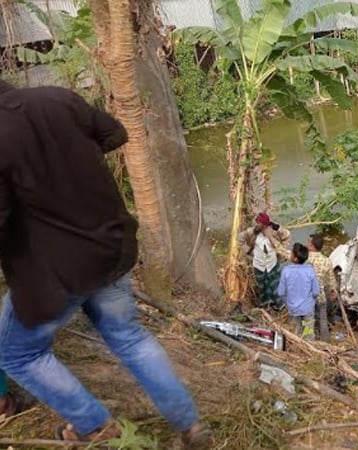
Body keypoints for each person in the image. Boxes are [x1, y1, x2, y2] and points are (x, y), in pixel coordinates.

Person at [0, 81, 210, 446]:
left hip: (55, 271)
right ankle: (191, 426)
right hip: (109, 247)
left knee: (17, 352)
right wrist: (71, 166)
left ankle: (93, 426)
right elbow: (116, 134)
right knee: (130, 337)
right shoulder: (57, 98)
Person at [238, 212, 289, 309]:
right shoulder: (252, 232)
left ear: (264, 224)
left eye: (259, 223)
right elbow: (240, 239)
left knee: (275, 286)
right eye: (256, 222)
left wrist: (282, 248)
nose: (256, 224)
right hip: (259, 265)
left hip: (272, 264)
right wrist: (249, 251)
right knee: (262, 286)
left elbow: (286, 235)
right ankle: (265, 305)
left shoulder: (274, 232)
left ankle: (280, 305)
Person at [277, 243, 320, 340]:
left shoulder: (286, 271)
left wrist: (287, 301)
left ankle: (298, 350)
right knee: (308, 333)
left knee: (296, 333)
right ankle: (310, 348)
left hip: (293, 309)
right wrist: (311, 301)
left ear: (295, 258)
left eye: (292, 253)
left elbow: (280, 292)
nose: (290, 254)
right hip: (308, 309)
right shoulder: (310, 270)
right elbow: (316, 292)